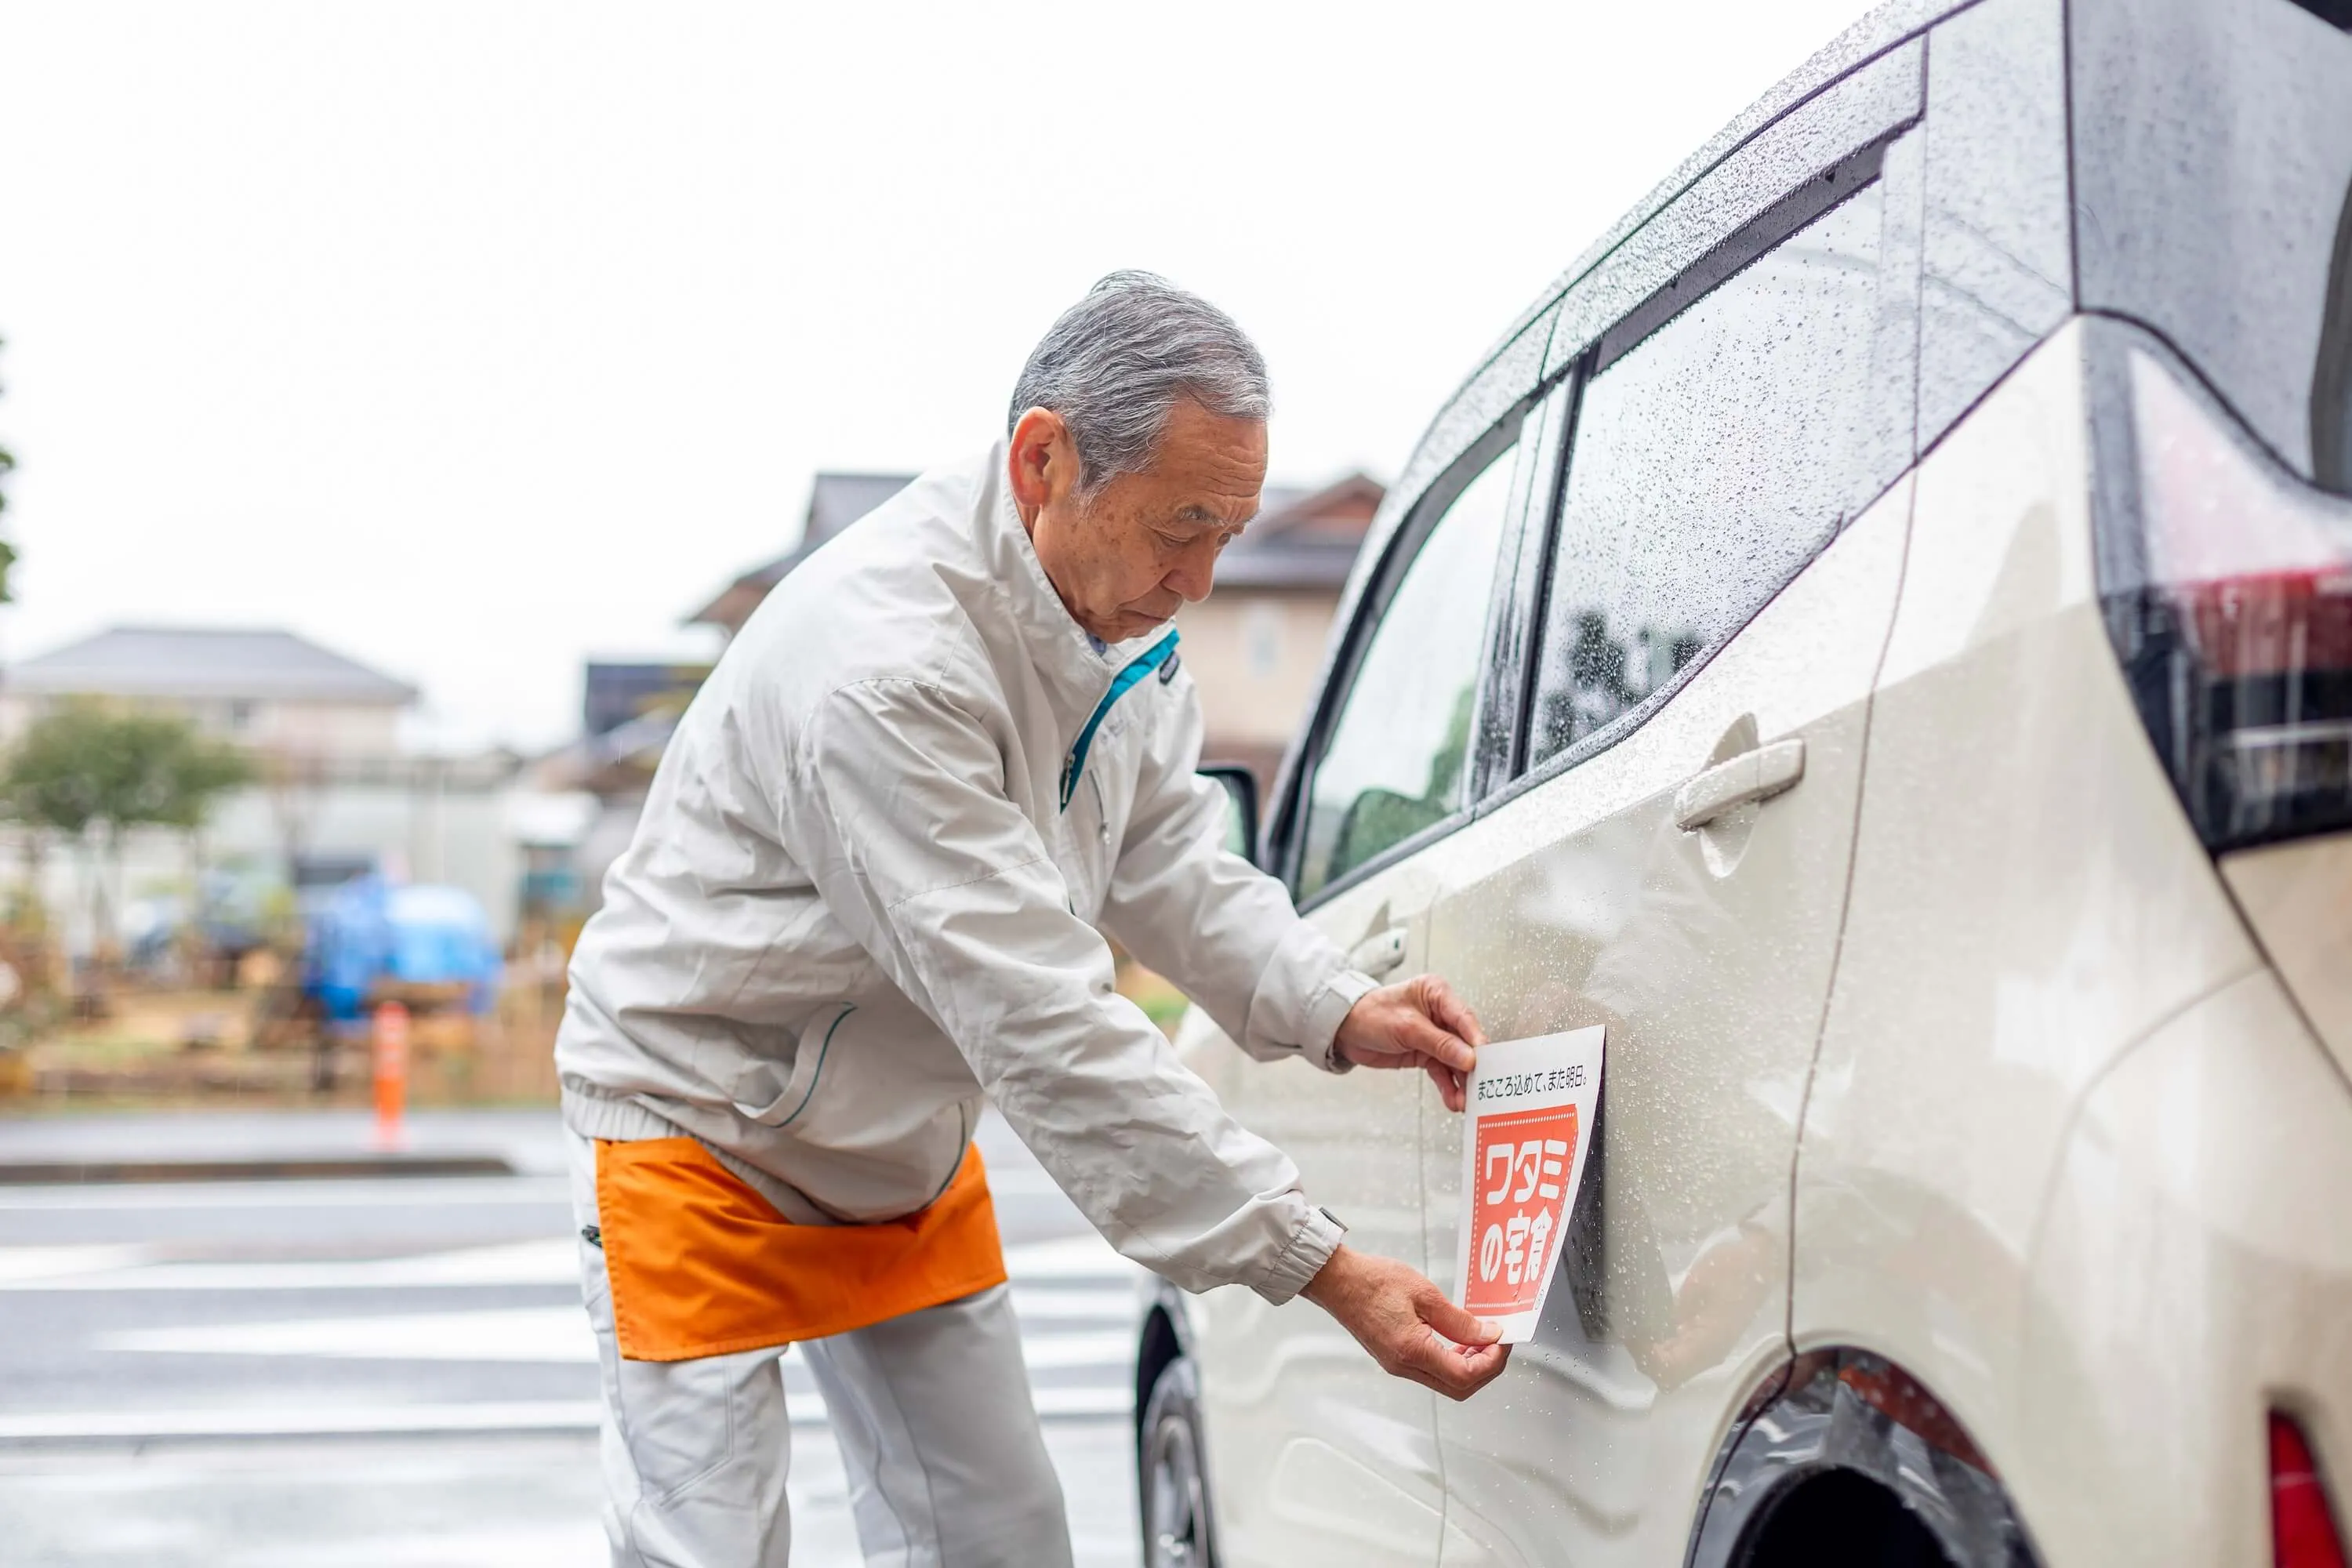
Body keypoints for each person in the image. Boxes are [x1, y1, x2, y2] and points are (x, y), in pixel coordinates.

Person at [556, 270, 1511, 1568]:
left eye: (1229, 532)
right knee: (708, 1547)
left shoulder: (1118, 626)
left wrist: (1335, 1001)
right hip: (701, 1116)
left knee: (998, 1537)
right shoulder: (885, 667)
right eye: (1183, 525)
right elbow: (1043, 1016)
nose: (1201, 578)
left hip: (893, 1137)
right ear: (1044, 458)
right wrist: (1321, 1263)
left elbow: (1165, 852)